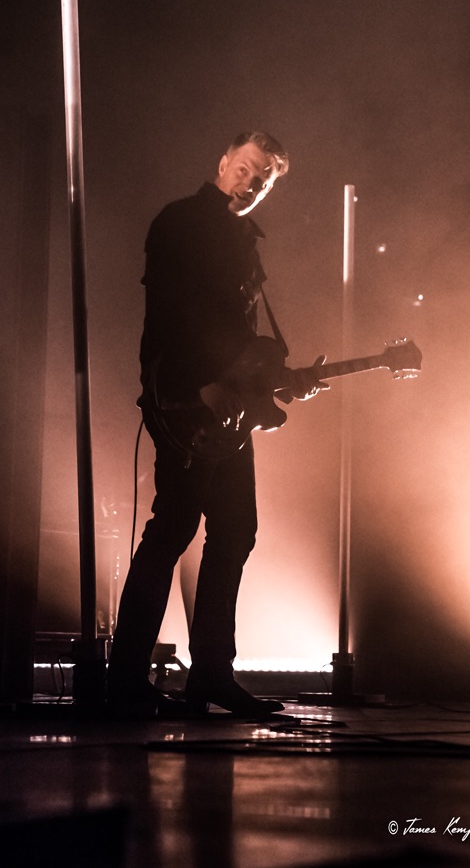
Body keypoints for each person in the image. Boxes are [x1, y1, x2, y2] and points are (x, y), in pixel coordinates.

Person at [106, 132, 327, 719]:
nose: (251, 183)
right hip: (184, 398)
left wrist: (274, 380)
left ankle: (210, 674)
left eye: (264, 179)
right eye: (247, 168)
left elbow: (241, 337)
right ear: (224, 162)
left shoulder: (244, 242)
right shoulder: (182, 222)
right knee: (174, 525)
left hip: (225, 408)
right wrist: (205, 382)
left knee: (235, 529)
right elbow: (178, 314)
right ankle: (125, 676)